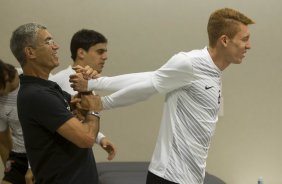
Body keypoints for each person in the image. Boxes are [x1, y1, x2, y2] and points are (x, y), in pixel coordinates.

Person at [70, 8, 255, 184]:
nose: (249, 46)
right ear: (224, 40)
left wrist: (96, 85)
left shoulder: (214, 72)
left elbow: (151, 76)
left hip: (192, 178)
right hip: (169, 177)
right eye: (244, 39)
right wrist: (99, 96)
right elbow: (148, 86)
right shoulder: (189, 63)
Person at [10, 23, 102, 184]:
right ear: (30, 52)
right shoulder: (37, 95)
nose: (56, 46)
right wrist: (94, 110)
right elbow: (86, 138)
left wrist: (87, 87)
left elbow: (80, 108)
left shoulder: (48, 89)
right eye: (48, 42)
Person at [50, 29, 116, 161]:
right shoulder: (62, 81)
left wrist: (101, 138)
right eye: (100, 51)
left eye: (105, 52)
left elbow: (79, 120)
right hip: (62, 158)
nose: (105, 57)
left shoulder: (87, 82)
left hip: (77, 155)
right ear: (81, 52)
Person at [0, 59, 34, 184]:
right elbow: (3, 142)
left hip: (43, 153)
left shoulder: (31, 81)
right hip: (19, 155)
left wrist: (32, 168)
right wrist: (8, 168)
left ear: (5, 76)